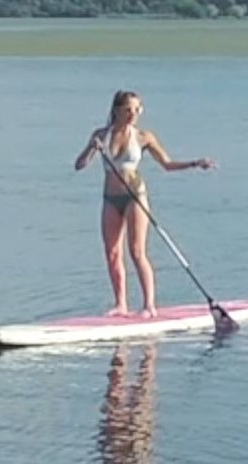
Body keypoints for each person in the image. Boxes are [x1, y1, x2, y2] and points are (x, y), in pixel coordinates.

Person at [73, 90, 214, 315]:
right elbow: (79, 165)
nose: (133, 114)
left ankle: (149, 305)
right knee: (112, 253)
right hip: (110, 199)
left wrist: (195, 163)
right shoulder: (101, 135)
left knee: (137, 251)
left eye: (137, 109)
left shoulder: (143, 137)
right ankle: (121, 304)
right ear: (116, 110)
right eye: (128, 110)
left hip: (135, 196)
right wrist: (92, 148)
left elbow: (166, 164)